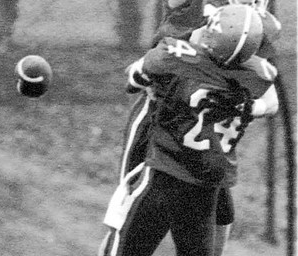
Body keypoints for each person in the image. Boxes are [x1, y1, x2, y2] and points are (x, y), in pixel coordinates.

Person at [98, 5, 279, 256]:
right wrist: (248, 106)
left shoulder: (175, 56)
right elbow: (271, 101)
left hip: (162, 176)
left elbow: (135, 78)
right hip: (204, 189)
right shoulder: (258, 78)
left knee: (126, 244)